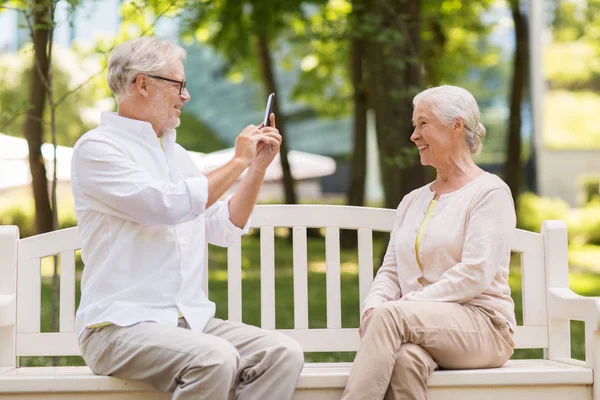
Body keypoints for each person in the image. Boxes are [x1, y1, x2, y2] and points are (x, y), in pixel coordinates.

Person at [71, 36, 304, 400]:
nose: (186, 96)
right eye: (179, 84)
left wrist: (255, 169)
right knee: (214, 358)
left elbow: (222, 227)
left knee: (281, 354)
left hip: (189, 323)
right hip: (116, 327)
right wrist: (237, 161)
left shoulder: (175, 154)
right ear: (142, 83)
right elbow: (166, 206)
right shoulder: (98, 149)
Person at [342, 85, 517, 400]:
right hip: (420, 327)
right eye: (414, 125)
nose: (414, 135)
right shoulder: (412, 201)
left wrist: (400, 308)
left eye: (423, 123)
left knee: (391, 317)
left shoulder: (489, 193)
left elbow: (475, 273)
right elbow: (391, 270)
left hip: (484, 328)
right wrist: (373, 307)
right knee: (405, 360)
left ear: (456, 126)